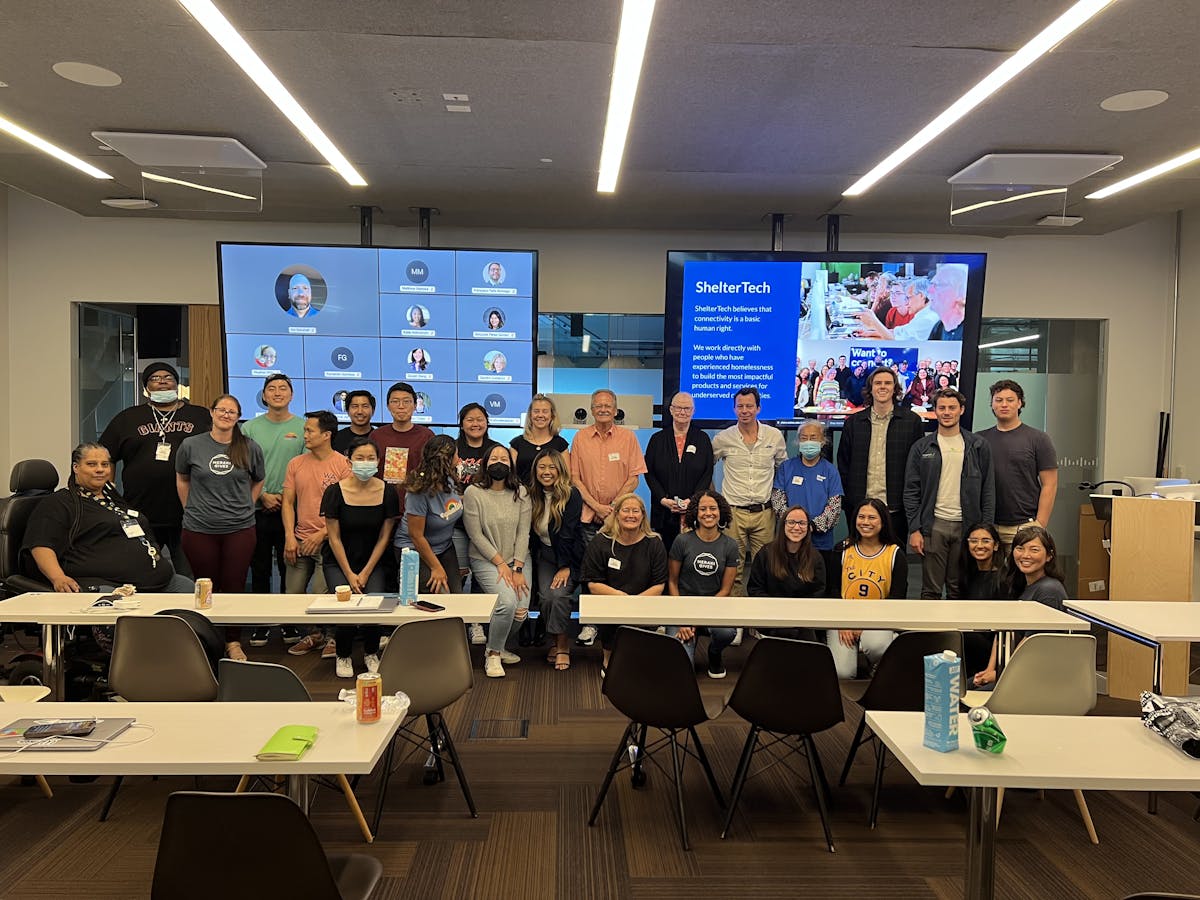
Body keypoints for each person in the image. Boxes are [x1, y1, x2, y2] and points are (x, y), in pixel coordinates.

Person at [22, 442, 194, 594]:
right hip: (109, 585)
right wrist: (58, 578)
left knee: (190, 590)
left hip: (157, 580)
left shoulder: (112, 496)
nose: (100, 469)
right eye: (91, 464)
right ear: (76, 467)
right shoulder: (58, 503)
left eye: (105, 464)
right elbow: (41, 544)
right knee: (118, 606)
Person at [98, 362, 211, 578]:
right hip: (141, 512)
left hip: (190, 513)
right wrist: (108, 488)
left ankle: (188, 613)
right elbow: (105, 455)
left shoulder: (200, 416)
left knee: (191, 578)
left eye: (168, 378)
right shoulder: (127, 418)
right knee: (143, 576)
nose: (162, 382)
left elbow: (220, 449)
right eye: (155, 379)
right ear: (146, 387)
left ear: (177, 384)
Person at [176, 394, 266, 661]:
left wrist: (247, 505)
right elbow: (182, 479)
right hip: (198, 527)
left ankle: (232, 641)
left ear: (238, 417)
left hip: (239, 528)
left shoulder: (249, 447)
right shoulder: (191, 445)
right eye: (221, 410)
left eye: (232, 412)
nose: (226, 415)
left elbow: (259, 480)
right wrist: (189, 508)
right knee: (205, 586)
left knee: (233, 585)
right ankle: (207, 640)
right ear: (212, 413)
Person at [571, 389, 648, 647]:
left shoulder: (628, 438)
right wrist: (596, 506)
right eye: (598, 405)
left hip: (619, 519)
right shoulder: (580, 438)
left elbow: (634, 477)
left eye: (608, 405)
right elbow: (575, 479)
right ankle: (590, 623)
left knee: (619, 571)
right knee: (590, 570)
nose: (603, 409)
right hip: (588, 516)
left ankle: (619, 622)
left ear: (615, 410)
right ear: (592, 410)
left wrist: (612, 507)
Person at [903, 388, 995, 599]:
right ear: (934, 411)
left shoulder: (978, 445)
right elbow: (911, 491)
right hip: (934, 526)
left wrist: (986, 530)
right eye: (941, 408)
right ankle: (930, 633)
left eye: (952, 408)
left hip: (968, 527)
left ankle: (958, 633)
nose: (946, 412)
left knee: (959, 590)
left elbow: (988, 490)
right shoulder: (922, 447)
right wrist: (915, 529)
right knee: (930, 591)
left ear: (961, 410)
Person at [322, 438, 399, 678]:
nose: (365, 463)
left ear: (378, 461)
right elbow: (333, 538)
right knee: (345, 605)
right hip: (339, 560)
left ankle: (370, 652)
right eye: (360, 458)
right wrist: (350, 574)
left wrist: (365, 572)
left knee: (374, 603)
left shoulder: (388, 491)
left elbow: (385, 536)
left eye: (370, 458)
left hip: (373, 560)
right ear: (349, 461)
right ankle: (343, 654)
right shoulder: (334, 492)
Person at [281, 410, 352, 659]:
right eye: (305, 430)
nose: (305, 435)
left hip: (329, 542)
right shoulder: (296, 464)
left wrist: (320, 535)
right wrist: (290, 536)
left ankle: (332, 637)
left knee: (321, 594)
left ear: (326, 435)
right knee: (292, 596)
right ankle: (314, 635)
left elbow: (347, 509)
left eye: (310, 430)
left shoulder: (343, 465)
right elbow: (288, 503)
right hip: (299, 540)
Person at [242, 373, 306, 647]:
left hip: (292, 510)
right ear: (264, 396)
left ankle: (288, 620)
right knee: (259, 569)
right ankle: (260, 622)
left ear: (291, 395)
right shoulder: (249, 428)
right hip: (258, 506)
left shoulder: (304, 427)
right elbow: (241, 468)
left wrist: (287, 498)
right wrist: (263, 495)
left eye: (283, 388)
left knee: (288, 566)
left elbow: (307, 468)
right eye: (272, 389)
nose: (277, 392)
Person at [837, 366, 926, 546]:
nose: (882, 387)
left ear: (895, 388)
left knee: (894, 563)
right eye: (877, 383)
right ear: (870, 388)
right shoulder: (854, 422)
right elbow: (843, 465)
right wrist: (850, 502)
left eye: (888, 383)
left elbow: (918, 467)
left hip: (896, 508)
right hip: (860, 508)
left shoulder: (912, 422)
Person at [579, 493, 668, 674]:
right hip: (611, 600)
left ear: (643, 515)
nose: (631, 515)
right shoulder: (601, 541)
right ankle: (608, 657)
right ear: (616, 514)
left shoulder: (654, 543)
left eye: (636, 511)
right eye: (625, 510)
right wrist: (622, 599)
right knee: (612, 616)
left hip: (645, 601)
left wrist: (635, 603)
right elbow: (593, 584)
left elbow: (659, 585)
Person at [711, 387, 788, 594]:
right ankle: (734, 624)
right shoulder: (723, 438)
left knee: (765, 569)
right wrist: (714, 498)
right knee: (732, 571)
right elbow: (704, 466)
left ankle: (760, 623)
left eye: (749, 406)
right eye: (740, 406)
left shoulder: (774, 436)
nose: (745, 410)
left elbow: (783, 470)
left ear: (758, 408)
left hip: (764, 513)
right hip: (733, 513)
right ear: (734, 409)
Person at [465, 445, 532, 678]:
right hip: (486, 559)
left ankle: (500, 645)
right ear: (485, 463)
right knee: (507, 603)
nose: (499, 462)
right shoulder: (473, 492)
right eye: (494, 458)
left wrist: (517, 566)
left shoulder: (521, 492)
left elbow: (524, 533)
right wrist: (502, 564)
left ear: (512, 465)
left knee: (521, 609)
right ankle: (493, 654)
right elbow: (475, 534)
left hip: (518, 559)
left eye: (504, 458)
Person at [829, 498, 909, 678]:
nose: (865, 522)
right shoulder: (841, 549)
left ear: (883, 521)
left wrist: (866, 625)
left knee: (877, 647)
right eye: (861, 517)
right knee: (843, 673)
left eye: (872, 518)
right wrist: (843, 623)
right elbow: (833, 591)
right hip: (843, 620)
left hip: (878, 620)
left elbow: (897, 598)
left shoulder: (895, 554)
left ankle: (885, 653)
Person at [978, 379, 1058, 551]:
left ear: (1020, 403)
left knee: (1022, 577)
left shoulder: (1038, 439)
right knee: (988, 578)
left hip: (1024, 526)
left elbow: (1050, 484)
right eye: (998, 400)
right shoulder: (980, 440)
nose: (1004, 404)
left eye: (1010, 400)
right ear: (992, 404)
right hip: (988, 526)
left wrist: (1039, 525)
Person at [666, 490, 739, 679]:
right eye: (703, 509)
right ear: (695, 514)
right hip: (683, 610)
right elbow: (672, 582)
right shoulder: (682, 541)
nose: (708, 513)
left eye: (713, 508)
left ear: (721, 511)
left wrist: (695, 621)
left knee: (727, 633)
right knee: (682, 673)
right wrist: (683, 619)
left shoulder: (730, 545)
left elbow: (725, 590)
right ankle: (689, 638)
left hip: (713, 609)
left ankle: (714, 653)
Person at [772, 419, 843, 596]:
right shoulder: (786, 467)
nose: (808, 442)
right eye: (804, 438)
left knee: (818, 588)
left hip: (820, 543)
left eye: (813, 437)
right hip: (790, 542)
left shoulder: (830, 470)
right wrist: (794, 526)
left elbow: (834, 507)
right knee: (788, 587)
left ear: (822, 441)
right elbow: (778, 500)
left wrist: (811, 527)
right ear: (798, 441)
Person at [529, 449, 584, 672]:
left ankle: (562, 645)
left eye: (552, 467)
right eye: (542, 467)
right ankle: (555, 640)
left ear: (560, 470)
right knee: (546, 598)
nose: (547, 471)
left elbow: (568, 534)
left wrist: (565, 567)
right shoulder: (531, 494)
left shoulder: (571, 494)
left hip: (568, 555)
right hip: (544, 555)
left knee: (559, 596)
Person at [644, 391, 715, 551]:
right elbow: (649, 473)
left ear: (693, 412)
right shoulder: (657, 439)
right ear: (670, 410)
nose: (682, 412)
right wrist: (662, 498)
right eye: (678, 408)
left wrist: (693, 500)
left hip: (695, 511)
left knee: (694, 555)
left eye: (687, 408)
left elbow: (707, 473)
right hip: (664, 511)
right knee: (665, 556)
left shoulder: (702, 439)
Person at [394, 434, 463, 593]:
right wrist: (436, 567)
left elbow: (451, 504)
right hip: (414, 549)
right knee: (439, 594)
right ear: (446, 459)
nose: (459, 459)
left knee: (457, 595)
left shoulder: (448, 479)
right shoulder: (418, 491)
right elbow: (416, 535)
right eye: (456, 455)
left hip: (444, 546)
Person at [746, 504, 825, 643]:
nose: (796, 527)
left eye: (802, 523)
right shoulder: (766, 553)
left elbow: (818, 592)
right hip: (771, 619)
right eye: (791, 522)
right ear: (783, 525)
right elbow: (754, 589)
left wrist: (797, 613)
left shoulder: (815, 557)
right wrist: (777, 610)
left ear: (808, 527)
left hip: (802, 621)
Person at [371, 381, 434, 511]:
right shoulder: (376, 436)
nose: (401, 406)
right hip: (381, 504)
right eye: (395, 401)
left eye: (406, 401)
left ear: (415, 405)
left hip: (416, 505)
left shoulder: (426, 436)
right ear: (388, 406)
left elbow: (433, 472)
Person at [959, 522, 1004, 687]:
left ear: (996, 545)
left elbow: (1002, 630)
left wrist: (992, 668)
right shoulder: (965, 575)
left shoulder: (1002, 579)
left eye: (986, 541)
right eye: (974, 540)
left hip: (991, 648)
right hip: (968, 647)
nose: (979, 545)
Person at [852, 276, 939, 341]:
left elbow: (893, 341)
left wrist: (873, 320)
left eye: (908, 297)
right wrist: (869, 333)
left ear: (921, 296)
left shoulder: (927, 319)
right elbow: (899, 332)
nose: (907, 302)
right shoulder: (922, 315)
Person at [509, 393, 569, 484]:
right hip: (522, 495)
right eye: (536, 411)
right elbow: (510, 476)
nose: (540, 415)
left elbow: (566, 478)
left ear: (552, 415)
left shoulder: (561, 444)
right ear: (530, 415)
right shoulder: (516, 444)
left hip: (552, 496)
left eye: (545, 411)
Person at [1008, 524, 1068, 611]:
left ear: (1049, 555)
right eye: (1020, 548)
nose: (1025, 555)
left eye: (1034, 550)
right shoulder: (1023, 584)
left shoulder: (1049, 591)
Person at [927, 262, 969, 341]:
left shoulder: (970, 330)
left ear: (960, 292)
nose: (929, 290)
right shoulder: (938, 328)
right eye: (931, 285)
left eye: (937, 285)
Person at [332, 389, 376, 455]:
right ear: (347, 411)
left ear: (373, 411)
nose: (360, 411)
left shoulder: (380, 438)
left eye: (365, 406)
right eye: (355, 406)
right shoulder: (335, 439)